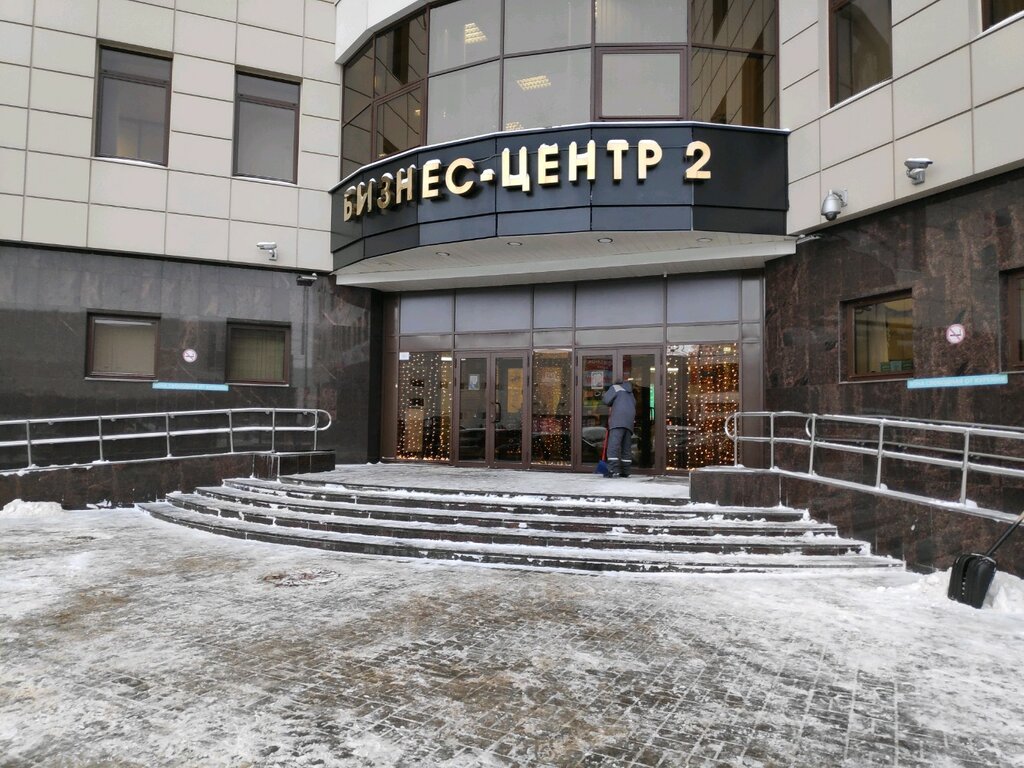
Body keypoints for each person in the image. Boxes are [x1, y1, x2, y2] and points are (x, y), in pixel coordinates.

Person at [602, 379, 636, 477]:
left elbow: (606, 400)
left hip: (618, 420)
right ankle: (626, 471)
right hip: (629, 422)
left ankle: (612, 470)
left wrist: (604, 394)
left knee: (613, 445)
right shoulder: (630, 392)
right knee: (626, 446)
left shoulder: (615, 387)